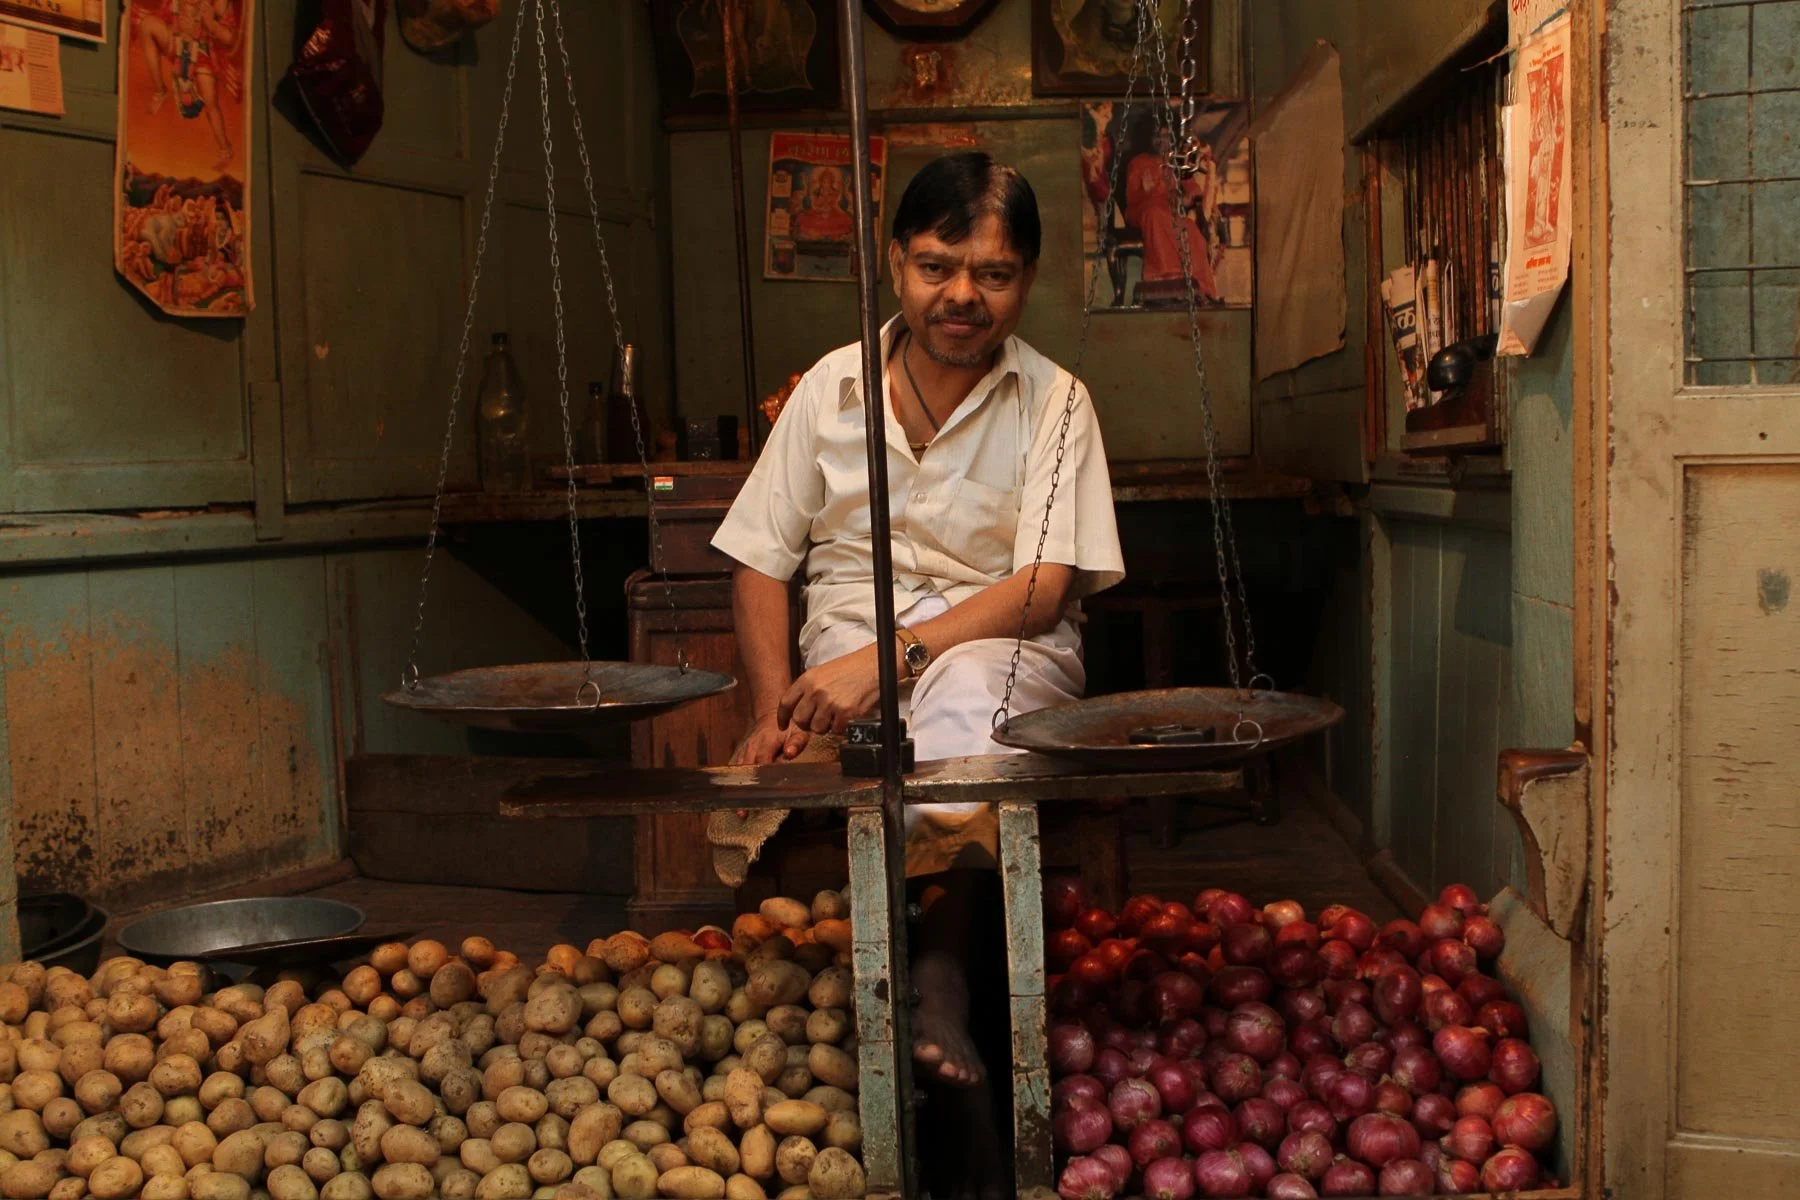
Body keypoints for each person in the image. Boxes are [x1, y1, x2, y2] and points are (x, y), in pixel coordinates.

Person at [711, 152, 1125, 1196]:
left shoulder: (1056, 401)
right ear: (895, 262)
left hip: (1003, 648)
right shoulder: (829, 389)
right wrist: (773, 706)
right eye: (938, 265)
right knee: (894, 726)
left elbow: (1043, 585)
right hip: (842, 668)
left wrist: (885, 663)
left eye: (994, 274)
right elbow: (761, 557)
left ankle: (935, 982)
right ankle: (950, 1016)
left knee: (962, 711)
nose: (962, 297)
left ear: (1026, 281)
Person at [1125, 120, 1220, 302]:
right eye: (1157, 137)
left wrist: (1189, 196)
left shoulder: (1174, 162)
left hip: (1168, 212)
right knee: (1154, 215)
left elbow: (1191, 188)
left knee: (1191, 230)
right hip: (1143, 210)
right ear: (1150, 139)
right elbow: (1132, 199)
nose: (1161, 141)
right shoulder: (1138, 163)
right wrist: (1146, 190)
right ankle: (1167, 276)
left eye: (1166, 136)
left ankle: (1201, 285)